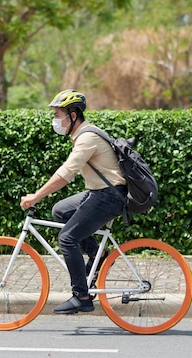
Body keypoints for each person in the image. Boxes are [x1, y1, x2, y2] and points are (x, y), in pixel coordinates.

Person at [20, 89, 127, 314]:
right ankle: (100, 257)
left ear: (74, 115)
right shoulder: (84, 134)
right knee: (60, 211)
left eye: (59, 115)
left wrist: (36, 196)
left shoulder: (87, 137)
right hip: (100, 192)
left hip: (109, 195)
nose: (55, 120)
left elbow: (65, 173)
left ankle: (82, 296)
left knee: (67, 238)